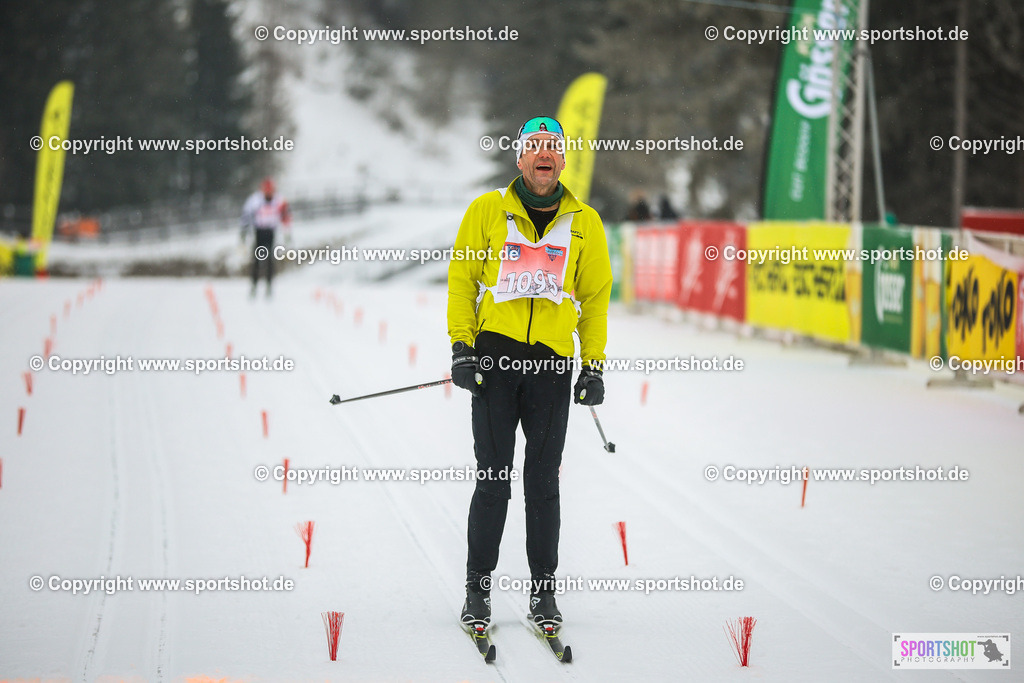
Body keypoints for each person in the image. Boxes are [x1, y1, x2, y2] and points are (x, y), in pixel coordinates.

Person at [447, 116, 613, 634]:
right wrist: (461, 346)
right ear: (520, 158)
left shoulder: (586, 221)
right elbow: (462, 279)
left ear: (563, 160)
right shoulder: (487, 210)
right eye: (534, 147)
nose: (544, 155)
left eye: (553, 148)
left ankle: (544, 595)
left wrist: (595, 364)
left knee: (542, 482)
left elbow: (595, 298)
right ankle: (478, 590)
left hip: (550, 368)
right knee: (494, 479)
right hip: (495, 364)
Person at [241, 177, 291, 297]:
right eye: (266, 191)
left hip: (271, 231)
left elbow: (286, 216)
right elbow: (246, 215)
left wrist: (287, 232)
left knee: (269, 260)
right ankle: (254, 286)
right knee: (257, 259)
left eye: (270, 191)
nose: (268, 193)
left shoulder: (279, 200)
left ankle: (269, 286)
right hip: (259, 231)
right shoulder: (255, 200)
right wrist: (243, 231)